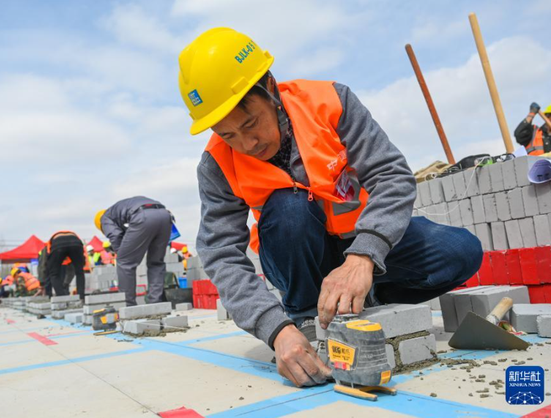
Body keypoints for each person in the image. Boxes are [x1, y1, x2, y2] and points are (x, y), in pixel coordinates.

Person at [178, 28, 483, 387]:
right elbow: (220, 253)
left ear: (271, 90)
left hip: (363, 245)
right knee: (289, 208)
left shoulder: (329, 102)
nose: (248, 143)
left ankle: (366, 295)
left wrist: (363, 258)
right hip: (298, 257)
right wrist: (276, 330)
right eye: (228, 134)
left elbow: (392, 176)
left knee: (462, 251)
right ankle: (308, 314)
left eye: (251, 123)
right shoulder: (216, 164)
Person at [94, 197, 172, 306]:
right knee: (156, 262)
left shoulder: (104, 218)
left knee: (124, 262)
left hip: (143, 215)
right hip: (165, 215)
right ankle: (155, 303)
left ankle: (127, 305)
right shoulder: (118, 211)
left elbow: (115, 235)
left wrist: (120, 252)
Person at [45, 231, 86, 299]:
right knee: (80, 272)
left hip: (58, 244)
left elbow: (48, 266)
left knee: (54, 274)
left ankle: (62, 298)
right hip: (75, 242)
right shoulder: (74, 239)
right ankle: (81, 297)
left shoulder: (49, 245)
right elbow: (76, 265)